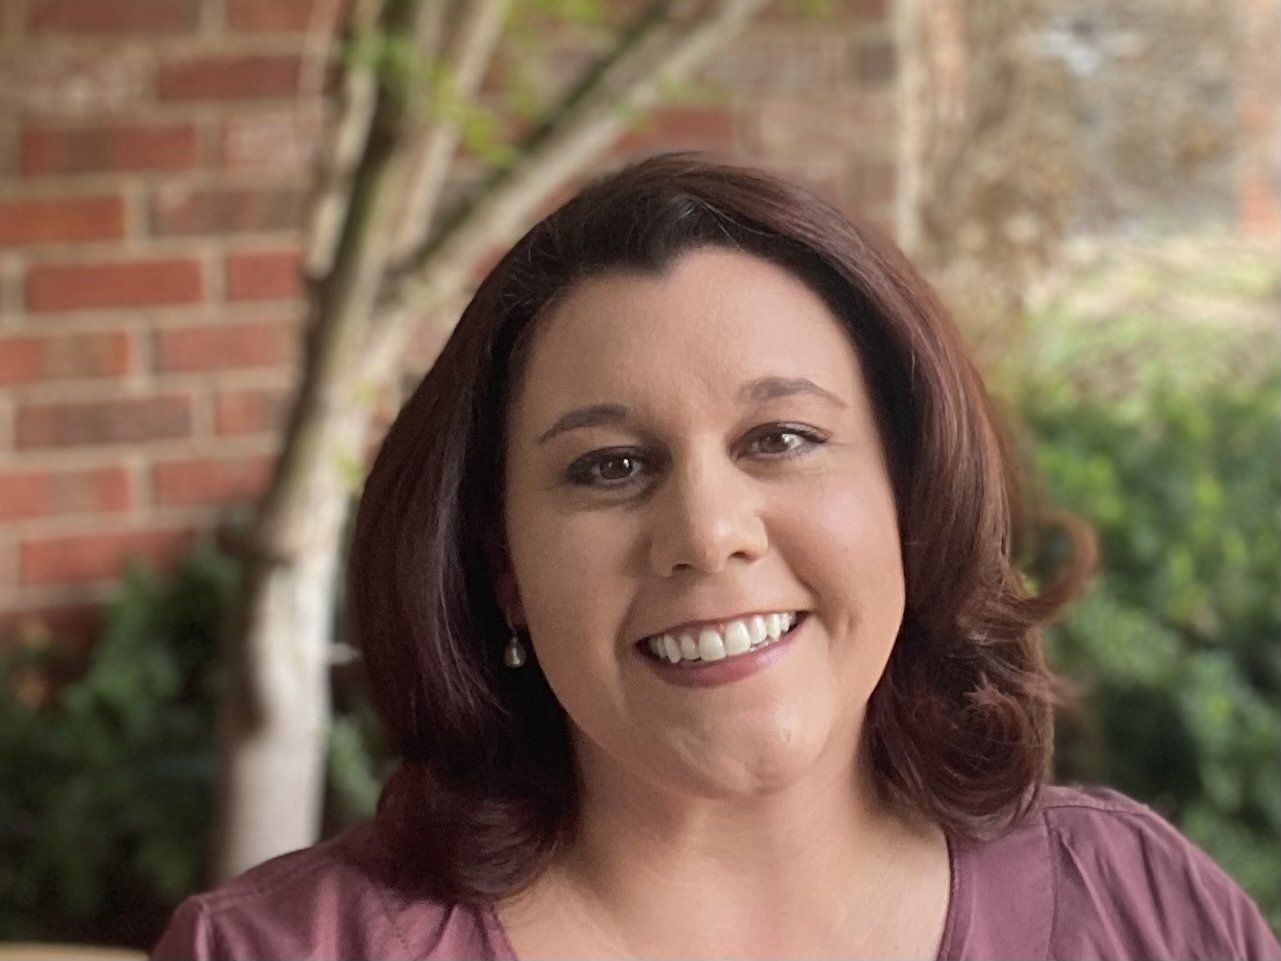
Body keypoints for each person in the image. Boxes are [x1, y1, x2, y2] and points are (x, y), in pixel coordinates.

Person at [153, 154, 1280, 960]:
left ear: (909, 494)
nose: (705, 530)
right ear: (502, 564)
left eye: (781, 439)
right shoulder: (279, 950)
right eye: (607, 466)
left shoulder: (1143, 909)